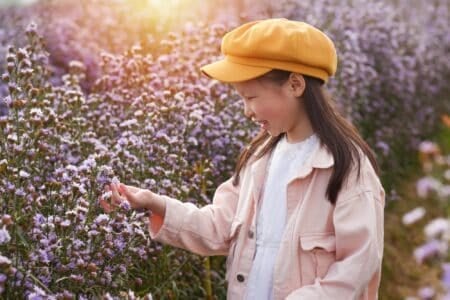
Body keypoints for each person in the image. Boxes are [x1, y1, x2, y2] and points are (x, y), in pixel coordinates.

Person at [99, 18, 385, 300]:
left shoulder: (347, 168)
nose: (246, 111)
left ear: (295, 85)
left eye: (251, 97)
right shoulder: (260, 159)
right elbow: (219, 226)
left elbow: (357, 266)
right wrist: (154, 202)